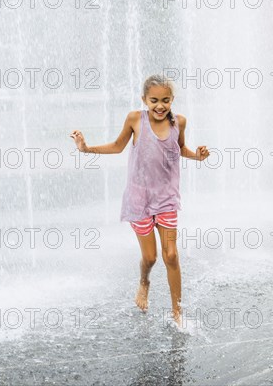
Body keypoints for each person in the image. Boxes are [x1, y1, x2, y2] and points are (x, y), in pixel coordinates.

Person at [69, 74, 210, 326]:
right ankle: (144, 281)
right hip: (140, 202)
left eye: (165, 100)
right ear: (144, 99)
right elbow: (117, 145)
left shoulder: (180, 122)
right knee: (151, 258)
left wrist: (197, 156)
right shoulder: (136, 119)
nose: (160, 106)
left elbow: (180, 149)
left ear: (172, 100)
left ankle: (177, 313)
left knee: (171, 255)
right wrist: (86, 148)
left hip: (166, 200)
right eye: (154, 100)